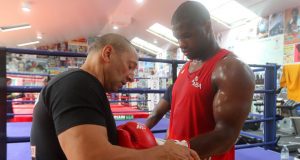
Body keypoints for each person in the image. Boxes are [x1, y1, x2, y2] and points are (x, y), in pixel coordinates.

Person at [30, 33, 199, 160]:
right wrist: (162, 153)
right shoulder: (77, 85)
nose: (132, 77)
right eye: (130, 66)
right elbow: (89, 156)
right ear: (108, 53)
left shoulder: (79, 84)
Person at [165, 1, 254, 159]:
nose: (181, 44)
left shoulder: (231, 69)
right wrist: (167, 145)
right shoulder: (186, 67)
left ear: (207, 27)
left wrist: (173, 153)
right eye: (178, 38)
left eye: (187, 35)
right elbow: (178, 118)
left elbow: (226, 136)